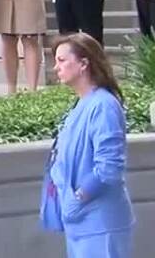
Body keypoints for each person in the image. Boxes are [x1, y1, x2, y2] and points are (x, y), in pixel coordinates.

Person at [39, 32, 133, 258]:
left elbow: (109, 167)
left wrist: (78, 197)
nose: (55, 67)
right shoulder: (81, 105)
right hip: (81, 224)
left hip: (100, 223)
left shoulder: (103, 106)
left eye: (62, 61)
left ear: (83, 64)